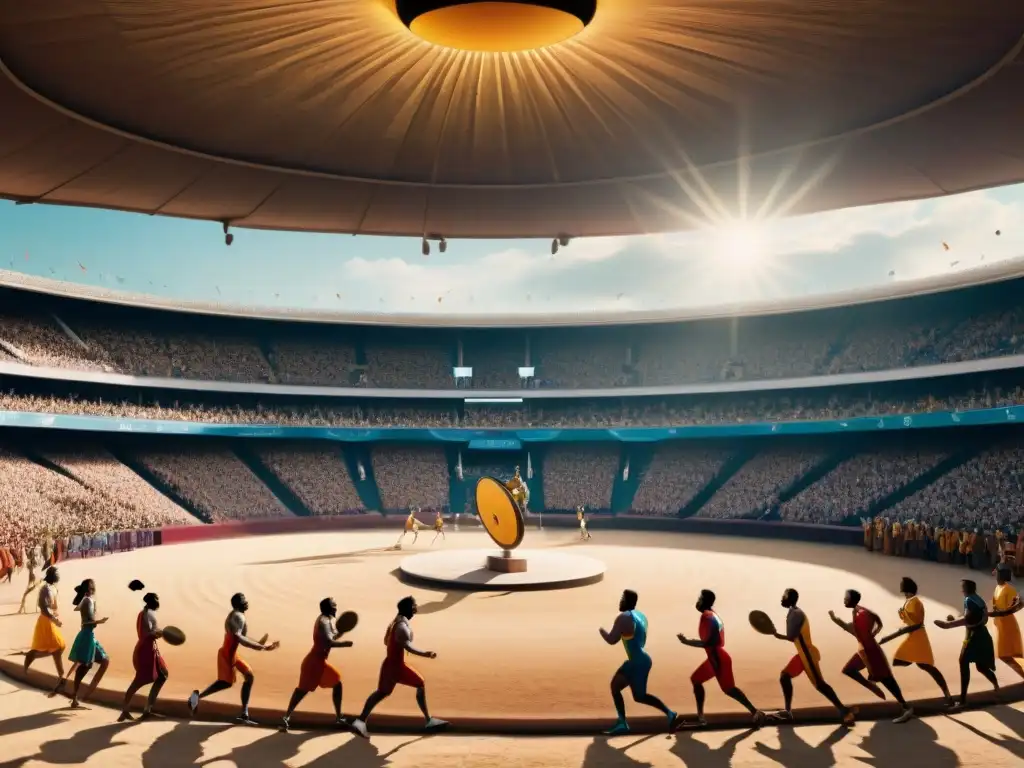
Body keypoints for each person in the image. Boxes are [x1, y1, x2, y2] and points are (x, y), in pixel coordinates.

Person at [350, 596, 447, 738]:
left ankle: (360, 721)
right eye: (414, 606)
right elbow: (408, 646)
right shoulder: (401, 626)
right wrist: (425, 654)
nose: (416, 609)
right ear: (408, 608)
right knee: (419, 683)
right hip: (396, 667)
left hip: (390, 664)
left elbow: (385, 641)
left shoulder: (395, 623)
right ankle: (429, 721)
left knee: (381, 693)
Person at [676, 589, 764, 728]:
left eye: (700, 598)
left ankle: (755, 712)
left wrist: (687, 642)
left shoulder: (708, 617)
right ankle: (701, 716)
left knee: (729, 689)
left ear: (705, 601)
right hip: (716, 656)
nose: (697, 601)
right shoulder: (712, 615)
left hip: (718, 659)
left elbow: (710, 642)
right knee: (697, 680)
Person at [190, 593, 279, 725]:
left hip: (230, 653)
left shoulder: (238, 615)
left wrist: (260, 644)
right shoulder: (238, 616)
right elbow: (239, 637)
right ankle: (196, 697)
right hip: (227, 654)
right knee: (225, 683)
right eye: (243, 600)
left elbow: (242, 637)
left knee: (249, 676)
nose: (246, 602)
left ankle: (244, 714)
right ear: (238, 604)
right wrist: (259, 647)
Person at [769, 588, 854, 726]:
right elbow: (793, 637)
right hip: (803, 654)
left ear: (790, 598)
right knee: (785, 676)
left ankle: (845, 711)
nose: (781, 598)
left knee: (820, 685)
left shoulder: (796, 614)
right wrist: (779, 635)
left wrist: (777, 635)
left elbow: (791, 636)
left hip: (807, 655)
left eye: (783, 596)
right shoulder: (793, 612)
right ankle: (788, 711)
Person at [598, 589, 677, 735]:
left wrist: (601, 630)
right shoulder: (641, 616)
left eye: (622, 598)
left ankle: (622, 723)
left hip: (635, 662)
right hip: (643, 660)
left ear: (627, 601)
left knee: (615, 687)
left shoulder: (623, 617)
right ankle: (670, 713)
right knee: (640, 696)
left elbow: (611, 640)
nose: (620, 601)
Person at [830, 589, 913, 723]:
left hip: (870, 652)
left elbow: (862, 636)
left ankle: (906, 707)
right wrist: (836, 620)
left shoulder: (860, 615)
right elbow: (868, 626)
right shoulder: (858, 611)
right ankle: (876, 687)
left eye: (846, 598)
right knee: (850, 670)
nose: (844, 600)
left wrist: (870, 668)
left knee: (887, 680)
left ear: (852, 600)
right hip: (866, 649)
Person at [877, 577, 952, 705]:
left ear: (908, 590)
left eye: (905, 591)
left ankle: (947, 695)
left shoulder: (915, 602)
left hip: (918, 638)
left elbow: (917, 623)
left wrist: (897, 633)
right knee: (913, 663)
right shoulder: (910, 602)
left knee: (922, 665)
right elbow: (910, 620)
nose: (904, 594)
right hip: (913, 637)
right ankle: (946, 695)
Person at [281, 597, 352, 731]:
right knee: (301, 691)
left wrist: (341, 633)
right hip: (313, 664)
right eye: (334, 605)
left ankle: (338, 717)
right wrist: (345, 644)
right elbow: (328, 642)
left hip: (319, 662)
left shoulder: (328, 620)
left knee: (337, 684)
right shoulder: (324, 621)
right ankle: (286, 717)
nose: (336, 607)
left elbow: (332, 637)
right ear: (328, 608)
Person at [934, 579, 999, 708]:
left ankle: (963, 699)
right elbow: (976, 616)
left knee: (963, 662)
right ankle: (996, 687)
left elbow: (968, 618)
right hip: (982, 636)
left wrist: (948, 625)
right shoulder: (977, 598)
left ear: (967, 589)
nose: (961, 590)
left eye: (962, 587)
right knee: (981, 666)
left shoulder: (969, 600)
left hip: (974, 637)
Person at [53, 579, 110, 708]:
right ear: (90, 590)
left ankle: (75, 694)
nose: (93, 589)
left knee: (85, 665)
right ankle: (82, 694)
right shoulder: (88, 601)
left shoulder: (86, 600)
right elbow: (87, 621)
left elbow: (77, 609)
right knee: (93, 663)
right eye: (92, 588)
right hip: (88, 636)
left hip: (86, 635)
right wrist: (99, 621)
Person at [118, 584, 168, 722]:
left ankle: (139, 710)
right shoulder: (148, 614)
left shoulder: (143, 613)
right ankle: (133, 710)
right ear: (153, 602)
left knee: (161, 675)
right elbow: (149, 633)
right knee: (141, 680)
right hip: (147, 651)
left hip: (146, 648)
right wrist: (160, 633)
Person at [24, 567, 65, 681]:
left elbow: (53, 605)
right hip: (46, 621)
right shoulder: (45, 589)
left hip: (51, 620)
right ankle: (61, 675)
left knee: (55, 648)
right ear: (52, 575)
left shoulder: (53, 588)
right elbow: (43, 608)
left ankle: (61, 675)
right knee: (57, 647)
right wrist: (54, 619)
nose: (58, 575)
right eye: (56, 573)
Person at [989, 565, 1024, 682]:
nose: (994, 572)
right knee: (1005, 655)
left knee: (1008, 655)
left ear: (1001, 574)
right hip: (1000, 624)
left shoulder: (1009, 589)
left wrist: (1000, 613)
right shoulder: (998, 587)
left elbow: (1015, 607)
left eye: (997, 571)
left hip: (1008, 625)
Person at [18, 545, 40, 614]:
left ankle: (21, 610)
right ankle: (21, 609)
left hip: (34, 583)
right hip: (35, 583)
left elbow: (34, 577)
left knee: (25, 595)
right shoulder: (33, 564)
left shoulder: (31, 565)